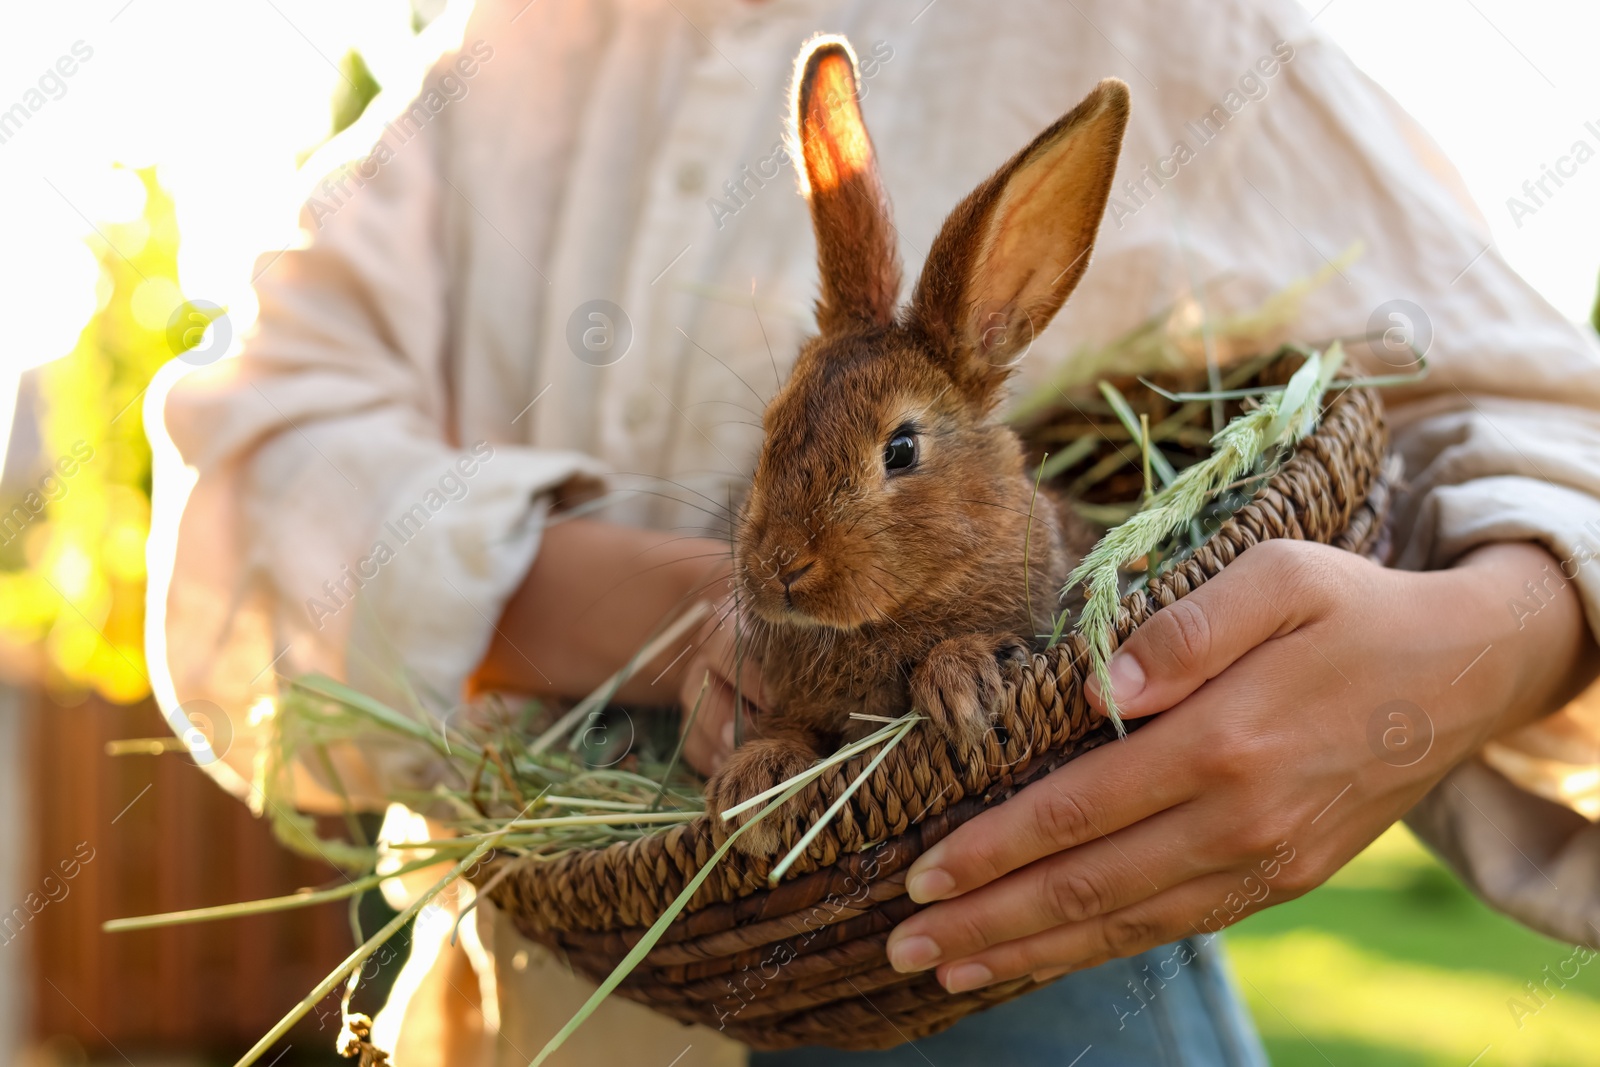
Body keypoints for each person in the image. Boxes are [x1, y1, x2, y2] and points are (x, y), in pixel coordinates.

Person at [147, 0, 1600, 1064]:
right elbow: (244, 462)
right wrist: (675, 623)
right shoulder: (505, 56)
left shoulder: (1173, 26)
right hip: (561, 1001)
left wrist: (1468, 657)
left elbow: (1537, 416)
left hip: (1021, 989)